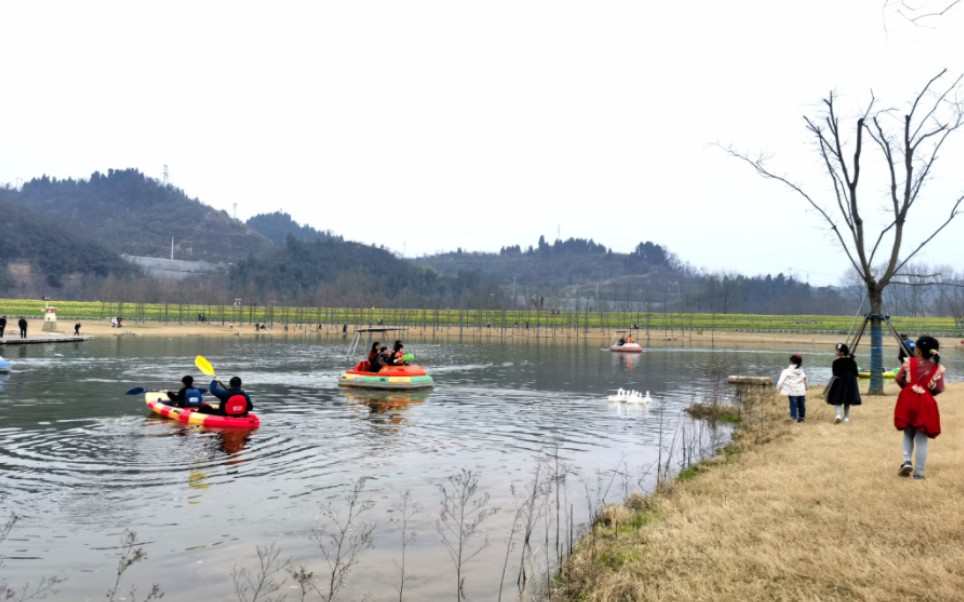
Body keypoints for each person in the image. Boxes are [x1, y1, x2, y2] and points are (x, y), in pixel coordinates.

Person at [894, 335, 945, 480]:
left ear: (917, 350)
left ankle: (906, 461)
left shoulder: (908, 363)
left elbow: (898, 378)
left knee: (908, 433)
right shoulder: (937, 369)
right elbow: (940, 388)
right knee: (921, 439)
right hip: (925, 402)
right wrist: (927, 392)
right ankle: (919, 473)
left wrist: (908, 388)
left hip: (908, 399)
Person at [825, 342, 861, 424]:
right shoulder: (852, 362)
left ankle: (838, 415)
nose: (835, 352)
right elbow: (856, 373)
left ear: (841, 352)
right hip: (850, 384)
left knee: (838, 399)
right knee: (847, 401)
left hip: (839, 384)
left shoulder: (835, 362)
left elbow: (835, 374)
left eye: (837, 350)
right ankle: (846, 418)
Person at [777, 354, 808, 423]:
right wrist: (806, 388)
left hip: (792, 391)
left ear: (791, 362)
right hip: (801, 391)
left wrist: (777, 388)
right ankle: (802, 418)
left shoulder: (786, 371)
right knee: (801, 405)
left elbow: (781, 381)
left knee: (793, 405)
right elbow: (805, 380)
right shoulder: (802, 371)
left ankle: (794, 419)